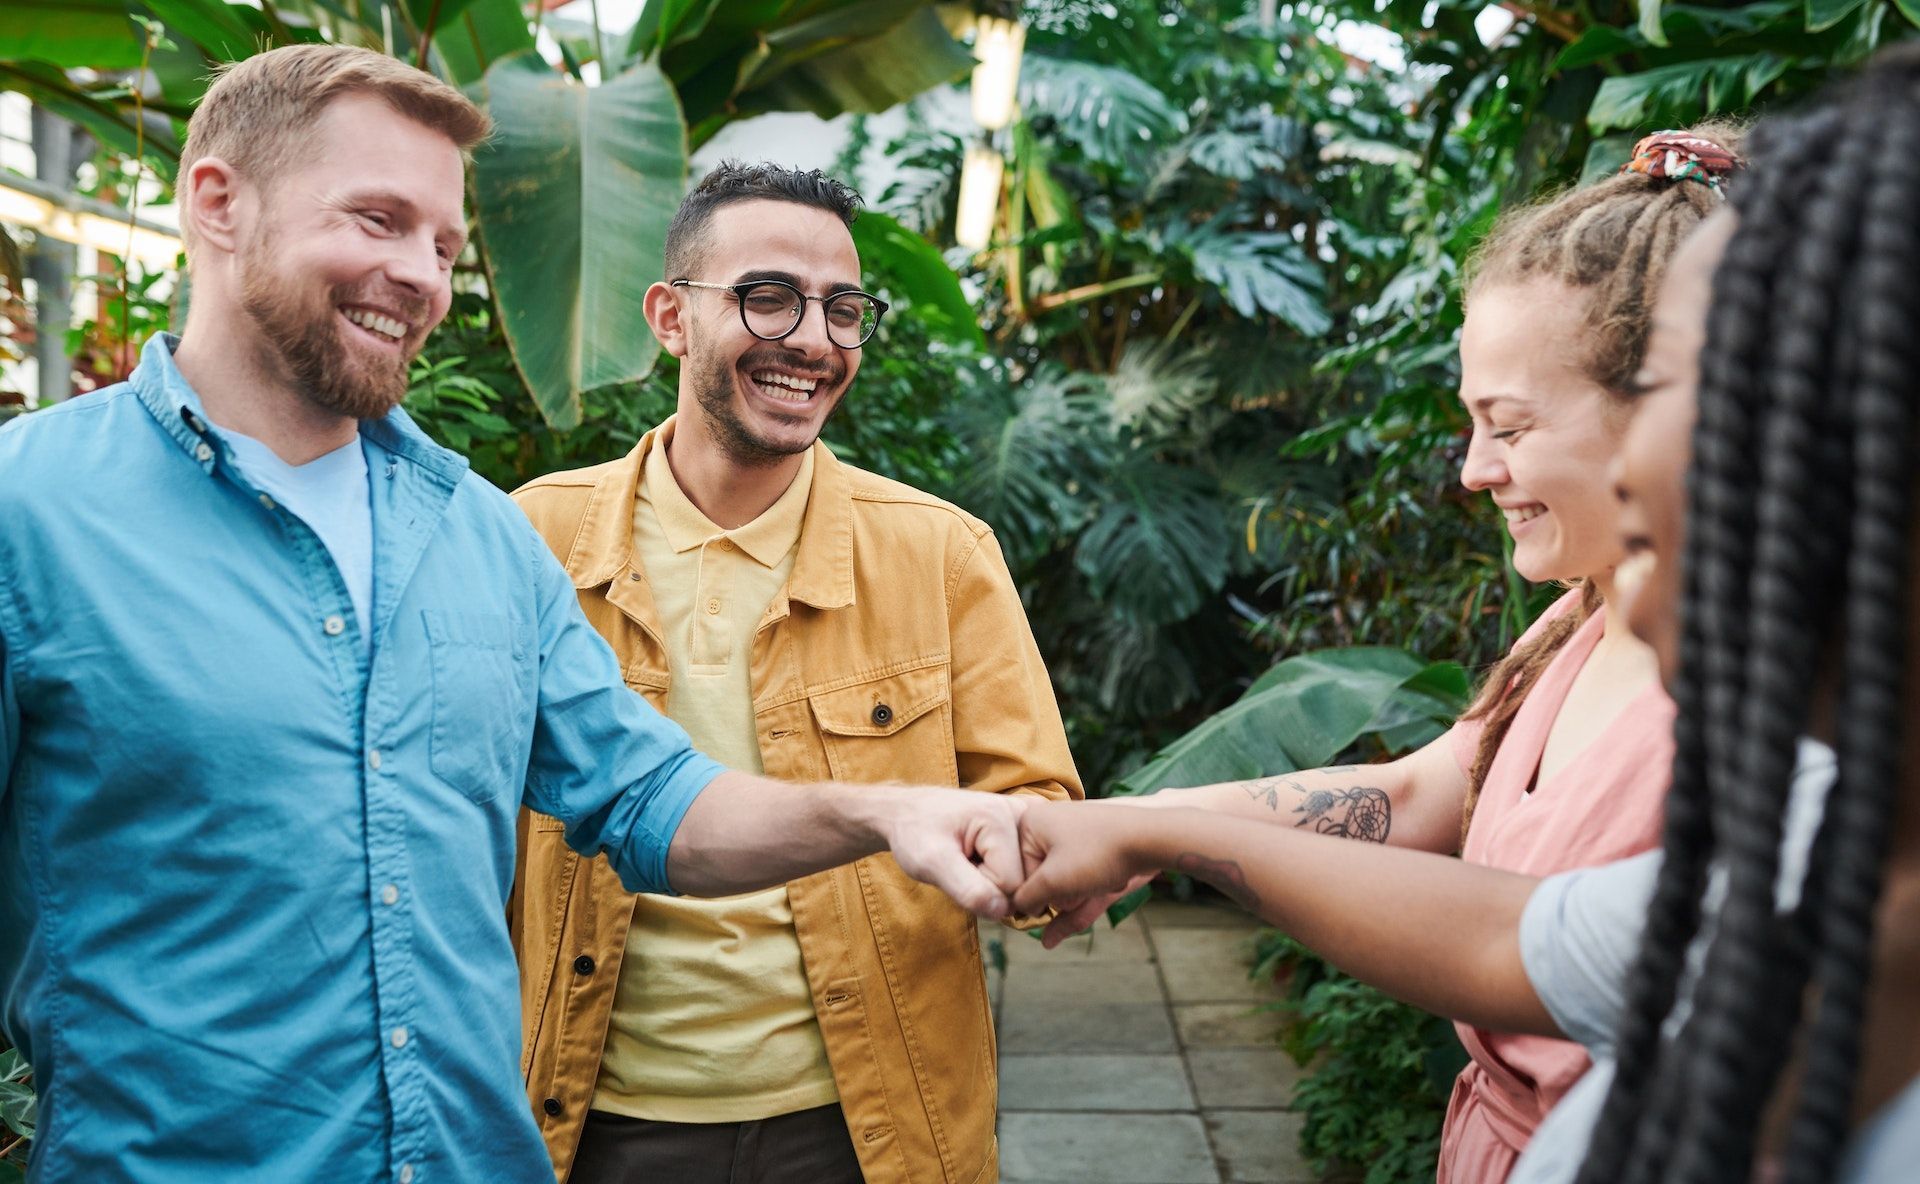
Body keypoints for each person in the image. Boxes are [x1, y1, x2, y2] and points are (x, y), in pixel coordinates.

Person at [0, 46, 1027, 1184]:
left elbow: (648, 797)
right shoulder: (28, 515)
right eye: (379, 220)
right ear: (218, 202)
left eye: (444, 245)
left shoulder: (481, 533)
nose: (424, 277)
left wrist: (882, 813)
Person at [1013, 44, 1920, 1183]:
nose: (1474, 471)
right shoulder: (1582, 623)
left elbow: (1511, 938)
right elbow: (1432, 794)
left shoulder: (1801, 761)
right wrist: (1141, 826)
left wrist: (1159, 833)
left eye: (1513, 421)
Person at [508, 162, 1081, 1184]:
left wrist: (1062, 858)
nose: (813, 340)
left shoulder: (939, 554)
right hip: (587, 1117)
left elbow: (1034, 809)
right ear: (671, 318)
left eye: (844, 308)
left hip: (861, 1124)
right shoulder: (531, 538)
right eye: (768, 297)